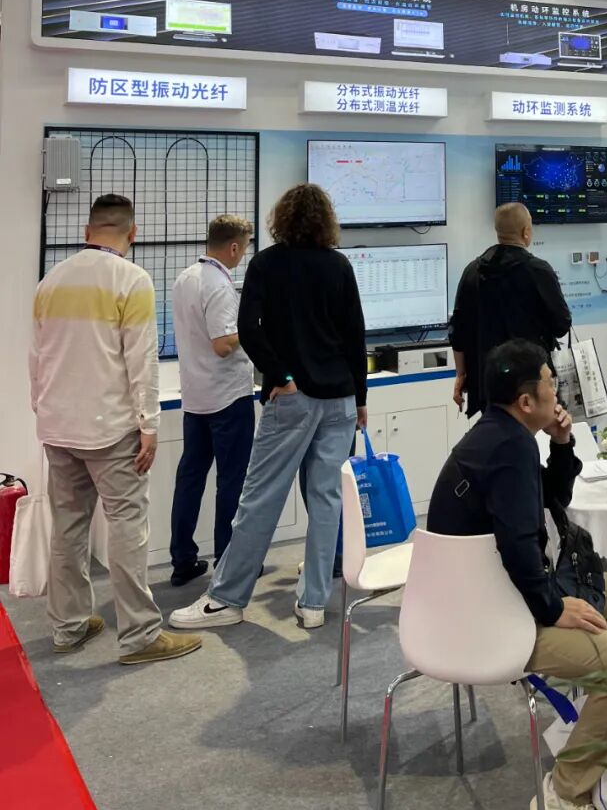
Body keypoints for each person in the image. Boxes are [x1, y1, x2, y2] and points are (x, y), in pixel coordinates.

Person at [428, 339, 607, 810]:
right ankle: (565, 791)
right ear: (526, 401)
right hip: (490, 620)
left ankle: (597, 738)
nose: (558, 392)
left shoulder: (502, 436)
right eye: (551, 383)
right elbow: (517, 547)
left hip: (490, 595)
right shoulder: (508, 448)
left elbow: (550, 501)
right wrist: (552, 607)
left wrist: (562, 444)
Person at [171, 184, 366, 632]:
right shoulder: (339, 265)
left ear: (282, 218)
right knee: (326, 500)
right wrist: (360, 399)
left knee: (259, 498)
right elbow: (355, 335)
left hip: (292, 398)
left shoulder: (266, 264)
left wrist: (280, 376)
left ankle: (226, 598)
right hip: (339, 399)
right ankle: (313, 603)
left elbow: (248, 328)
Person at [29, 194, 201, 664]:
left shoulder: (51, 281)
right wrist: (149, 424)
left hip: (58, 426)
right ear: (133, 233)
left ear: (86, 232)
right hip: (110, 429)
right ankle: (140, 636)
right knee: (127, 527)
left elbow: (36, 357)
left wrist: (41, 409)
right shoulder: (132, 279)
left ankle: (67, 626)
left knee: (68, 528)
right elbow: (141, 360)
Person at [168, 214, 256, 588]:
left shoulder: (185, 278)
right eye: (245, 247)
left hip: (195, 397)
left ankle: (182, 559)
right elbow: (222, 344)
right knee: (232, 479)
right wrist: (252, 328)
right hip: (228, 397)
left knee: (190, 478)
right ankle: (228, 560)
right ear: (234, 247)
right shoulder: (220, 286)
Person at [450, 201, 572, 417]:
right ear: (526, 232)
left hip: (489, 382)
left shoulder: (472, 271)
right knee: (538, 435)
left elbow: (458, 331)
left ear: (498, 232)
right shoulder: (538, 271)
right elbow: (561, 325)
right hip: (532, 380)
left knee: (498, 435)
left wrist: (461, 374)